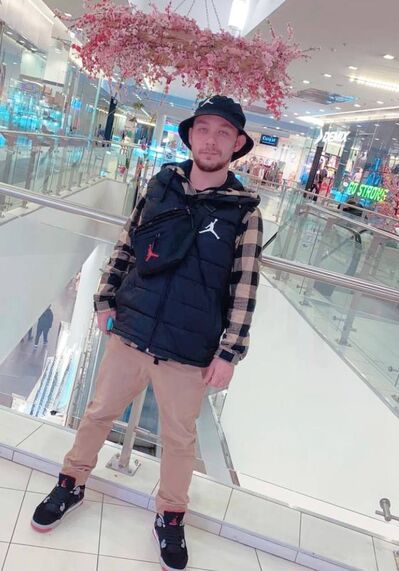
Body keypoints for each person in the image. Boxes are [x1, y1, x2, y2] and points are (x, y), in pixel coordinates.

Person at [31, 95, 263, 571]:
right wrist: (104, 299)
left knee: (179, 439)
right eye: (204, 129)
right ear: (190, 135)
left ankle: (171, 516)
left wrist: (229, 353)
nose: (212, 140)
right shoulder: (160, 186)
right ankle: (71, 483)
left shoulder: (244, 212)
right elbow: (126, 245)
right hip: (132, 330)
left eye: (223, 132)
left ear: (237, 143)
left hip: (190, 350)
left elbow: (245, 285)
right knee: (98, 413)